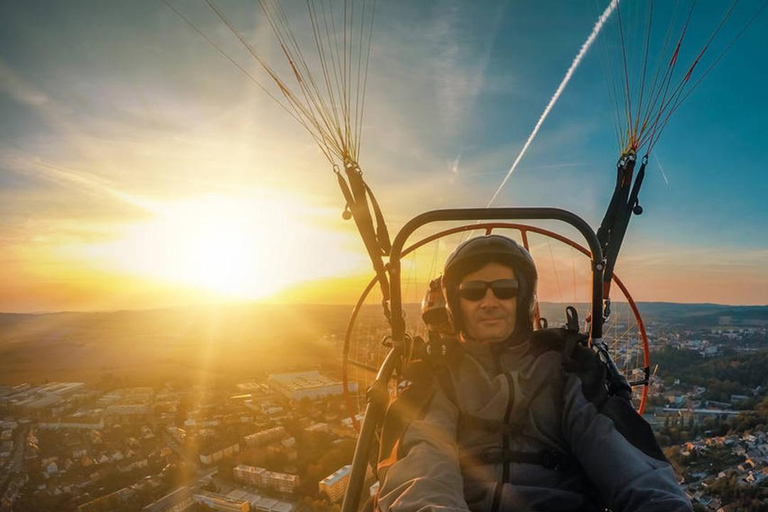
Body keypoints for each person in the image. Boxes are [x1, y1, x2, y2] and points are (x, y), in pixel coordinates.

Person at [375, 234, 692, 512]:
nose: (489, 302)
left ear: (523, 297)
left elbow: (627, 463)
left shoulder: (566, 370)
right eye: (472, 292)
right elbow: (421, 467)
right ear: (455, 304)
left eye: (504, 289)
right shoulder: (436, 376)